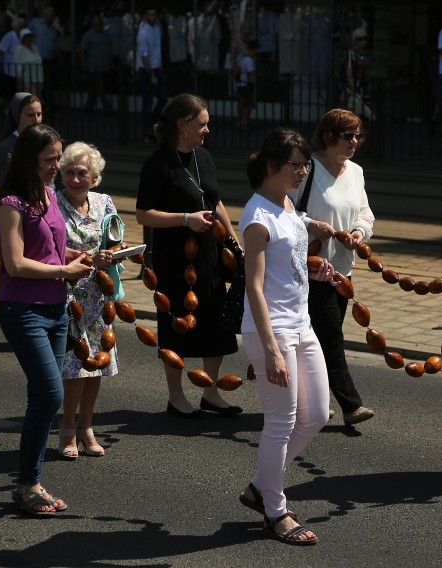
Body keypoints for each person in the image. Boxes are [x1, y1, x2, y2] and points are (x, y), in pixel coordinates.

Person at [238, 128, 337, 546]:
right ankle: (275, 511)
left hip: (301, 323)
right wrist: (273, 350)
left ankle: (259, 487)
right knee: (282, 422)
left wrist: (313, 269)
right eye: (296, 165)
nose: (302, 172)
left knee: (317, 415)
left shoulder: (288, 205)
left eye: (305, 165)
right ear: (271, 166)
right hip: (271, 330)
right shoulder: (257, 217)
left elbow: (291, 259)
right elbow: (254, 287)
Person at [0, 123, 94, 516]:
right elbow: (15, 264)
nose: (57, 165)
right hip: (23, 310)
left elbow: (53, 253)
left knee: (41, 396)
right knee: (51, 394)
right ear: (29, 160)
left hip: (55, 308)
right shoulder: (10, 204)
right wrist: (63, 272)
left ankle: (27, 482)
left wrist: (79, 261)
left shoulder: (50, 196)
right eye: (50, 159)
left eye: (58, 158)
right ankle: (29, 483)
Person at [135, 93, 242, 418]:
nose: (207, 130)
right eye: (202, 124)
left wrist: (234, 241)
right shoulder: (157, 164)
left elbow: (215, 200)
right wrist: (185, 219)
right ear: (182, 125)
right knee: (176, 325)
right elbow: (143, 214)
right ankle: (176, 396)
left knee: (217, 322)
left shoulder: (203, 157)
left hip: (210, 256)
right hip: (175, 259)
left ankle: (210, 393)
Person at [291, 108, 376, 426]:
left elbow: (366, 213)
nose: (354, 141)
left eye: (357, 135)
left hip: (343, 269)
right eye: (347, 135)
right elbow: (284, 210)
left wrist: (358, 232)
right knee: (330, 337)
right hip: (311, 268)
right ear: (328, 137)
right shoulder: (307, 169)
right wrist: (313, 224)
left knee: (314, 338)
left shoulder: (355, 172)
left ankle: (309, 402)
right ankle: (351, 405)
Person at [56, 142, 119, 459]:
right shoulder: (53, 203)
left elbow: (116, 240)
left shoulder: (104, 203)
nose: (75, 178)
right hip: (67, 294)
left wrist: (114, 253)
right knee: (73, 368)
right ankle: (67, 428)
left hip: (99, 295)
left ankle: (87, 427)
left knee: (97, 365)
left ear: (94, 177)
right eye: (69, 172)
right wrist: (87, 257)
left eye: (82, 173)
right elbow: (48, 247)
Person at [0, 92, 43, 185]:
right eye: (30, 115)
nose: (36, 120)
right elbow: (7, 186)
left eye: (39, 114)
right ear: (17, 115)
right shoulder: (7, 149)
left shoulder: (45, 142)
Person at [136, 6, 168, 142]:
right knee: (147, 101)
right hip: (147, 69)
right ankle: (147, 132)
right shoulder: (143, 32)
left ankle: (153, 124)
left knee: (163, 98)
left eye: (154, 14)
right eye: (150, 14)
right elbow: (144, 55)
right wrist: (152, 75)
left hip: (156, 67)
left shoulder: (156, 29)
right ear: (145, 16)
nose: (153, 17)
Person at [79, 15, 114, 112]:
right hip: (94, 66)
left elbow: (110, 49)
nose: (98, 25)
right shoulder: (88, 35)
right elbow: (82, 50)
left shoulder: (106, 35)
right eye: (96, 23)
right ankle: (108, 109)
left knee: (95, 89)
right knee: (100, 88)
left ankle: (88, 108)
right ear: (92, 24)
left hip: (105, 66)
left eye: (100, 23)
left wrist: (111, 63)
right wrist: (84, 63)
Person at [340, 28, 373, 121]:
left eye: (365, 38)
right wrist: (353, 89)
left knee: (364, 114)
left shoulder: (365, 54)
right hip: (355, 90)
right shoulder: (351, 54)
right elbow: (349, 73)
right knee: (355, 115)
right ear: (354, 41)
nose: (363, 41)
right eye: (360, 39)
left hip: (364, 88)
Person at [236, 40, 258, 128]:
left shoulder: (244, 59)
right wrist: (255, 85)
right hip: (246, 85)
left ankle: (241, 121)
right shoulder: (249, 60)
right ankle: (245, 122)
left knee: (242, 103)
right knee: (247, 104)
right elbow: (251, 74)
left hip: (241, 84)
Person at [14, 28, 43, 95]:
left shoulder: (35, 47)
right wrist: (19, 81)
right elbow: (18, 67)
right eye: (28, 37)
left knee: (38, 97)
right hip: (28, 79)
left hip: (39, 77)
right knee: (32, 98)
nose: (30, 38)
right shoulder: (19, 49)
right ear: (23, 38)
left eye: (31, 36)